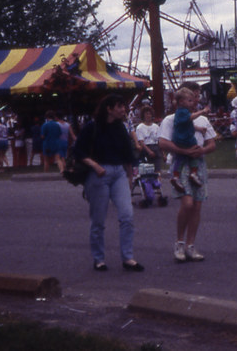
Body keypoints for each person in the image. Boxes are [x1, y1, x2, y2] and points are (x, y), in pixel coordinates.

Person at [73, 95, 143, 272]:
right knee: (98, 220)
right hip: (99, 175)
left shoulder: (121, 128)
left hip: (119, 173)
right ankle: (99, 259)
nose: (123, 110)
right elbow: (78, 151)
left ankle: (128, 258)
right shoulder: (92, 127)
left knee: (127, 216)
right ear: (108, 109)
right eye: (119, 107)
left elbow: (128, 154)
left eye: (123, 107)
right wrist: (95, 166)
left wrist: (129, 177)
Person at [158, 81, 218, 263]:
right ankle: (179, 242)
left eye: (197, 96)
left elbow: (212, 143)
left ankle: (191, 245)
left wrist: (202, 151)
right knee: (187, 204)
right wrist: (184, 151)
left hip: (197, 163)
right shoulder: (171, 119)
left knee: (197, 205)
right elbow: (163, 143)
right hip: (181, 162)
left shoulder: (202, 120)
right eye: (193, 96)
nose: (196, 100)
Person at [168, 87, 209, 193]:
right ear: (181, 101)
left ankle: (176, 176)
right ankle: (193, 173)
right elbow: (191, 118)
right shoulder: (182, 111)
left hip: (179, 139)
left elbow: (188, 125)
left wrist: (199, 129)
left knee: (180, 158)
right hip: (186, 139)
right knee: (195, 152)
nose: (192, 103)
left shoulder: (180, 113)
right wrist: (202, 111)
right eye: (190, 100)